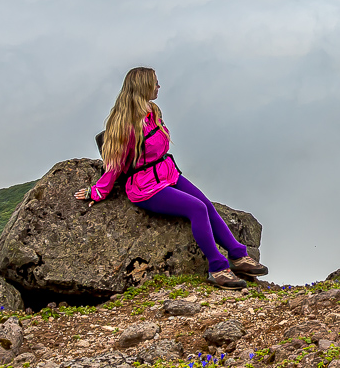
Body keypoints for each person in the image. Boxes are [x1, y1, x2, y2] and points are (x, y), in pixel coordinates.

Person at [74, 67, 266, 289]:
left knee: (205, 204)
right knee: (197, 209)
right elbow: (115, 164)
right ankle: (217, 268)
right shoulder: (125, 123)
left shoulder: (152, 110)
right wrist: (98, 191)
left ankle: (237, 255)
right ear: (143, 86)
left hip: (167, 172)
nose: (158, 86)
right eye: (155, 83)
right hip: (145, 186)